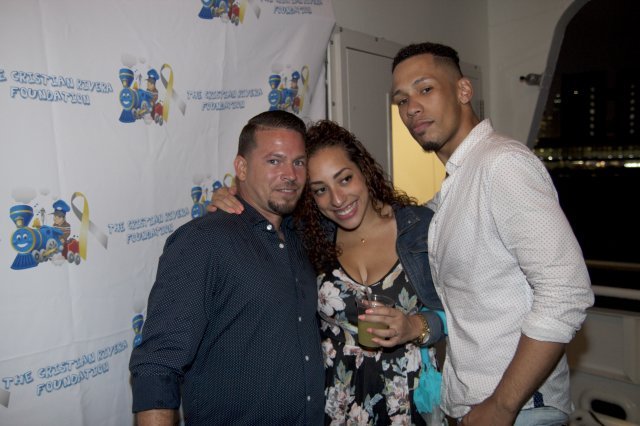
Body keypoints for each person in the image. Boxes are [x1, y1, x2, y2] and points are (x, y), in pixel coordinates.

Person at [391, 42, 594, 425]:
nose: (411, 108)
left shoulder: (502, 165)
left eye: (425, 89)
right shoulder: (459, 181)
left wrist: (502, 404)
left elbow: (566, 292)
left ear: (464, 90)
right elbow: (402, 221)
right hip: (475, 405)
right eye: (401, 100)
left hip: (519, 410)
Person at [209, 120, 447, 425]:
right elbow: (260, 216)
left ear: (364, 170)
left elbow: (466, 311)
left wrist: (416, 326)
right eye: (320, 190)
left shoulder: (419, 228)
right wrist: (230, 198)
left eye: (345, 179)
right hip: (334, 406)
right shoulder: (309, 236)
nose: (337, 199)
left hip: (407, 404)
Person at [129, 110, 324, 425]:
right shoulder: (205, 240)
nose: (290, 174)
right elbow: (158, 365)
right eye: (274, 161)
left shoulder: (303, 237)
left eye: (298, 162)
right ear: (242, 168)